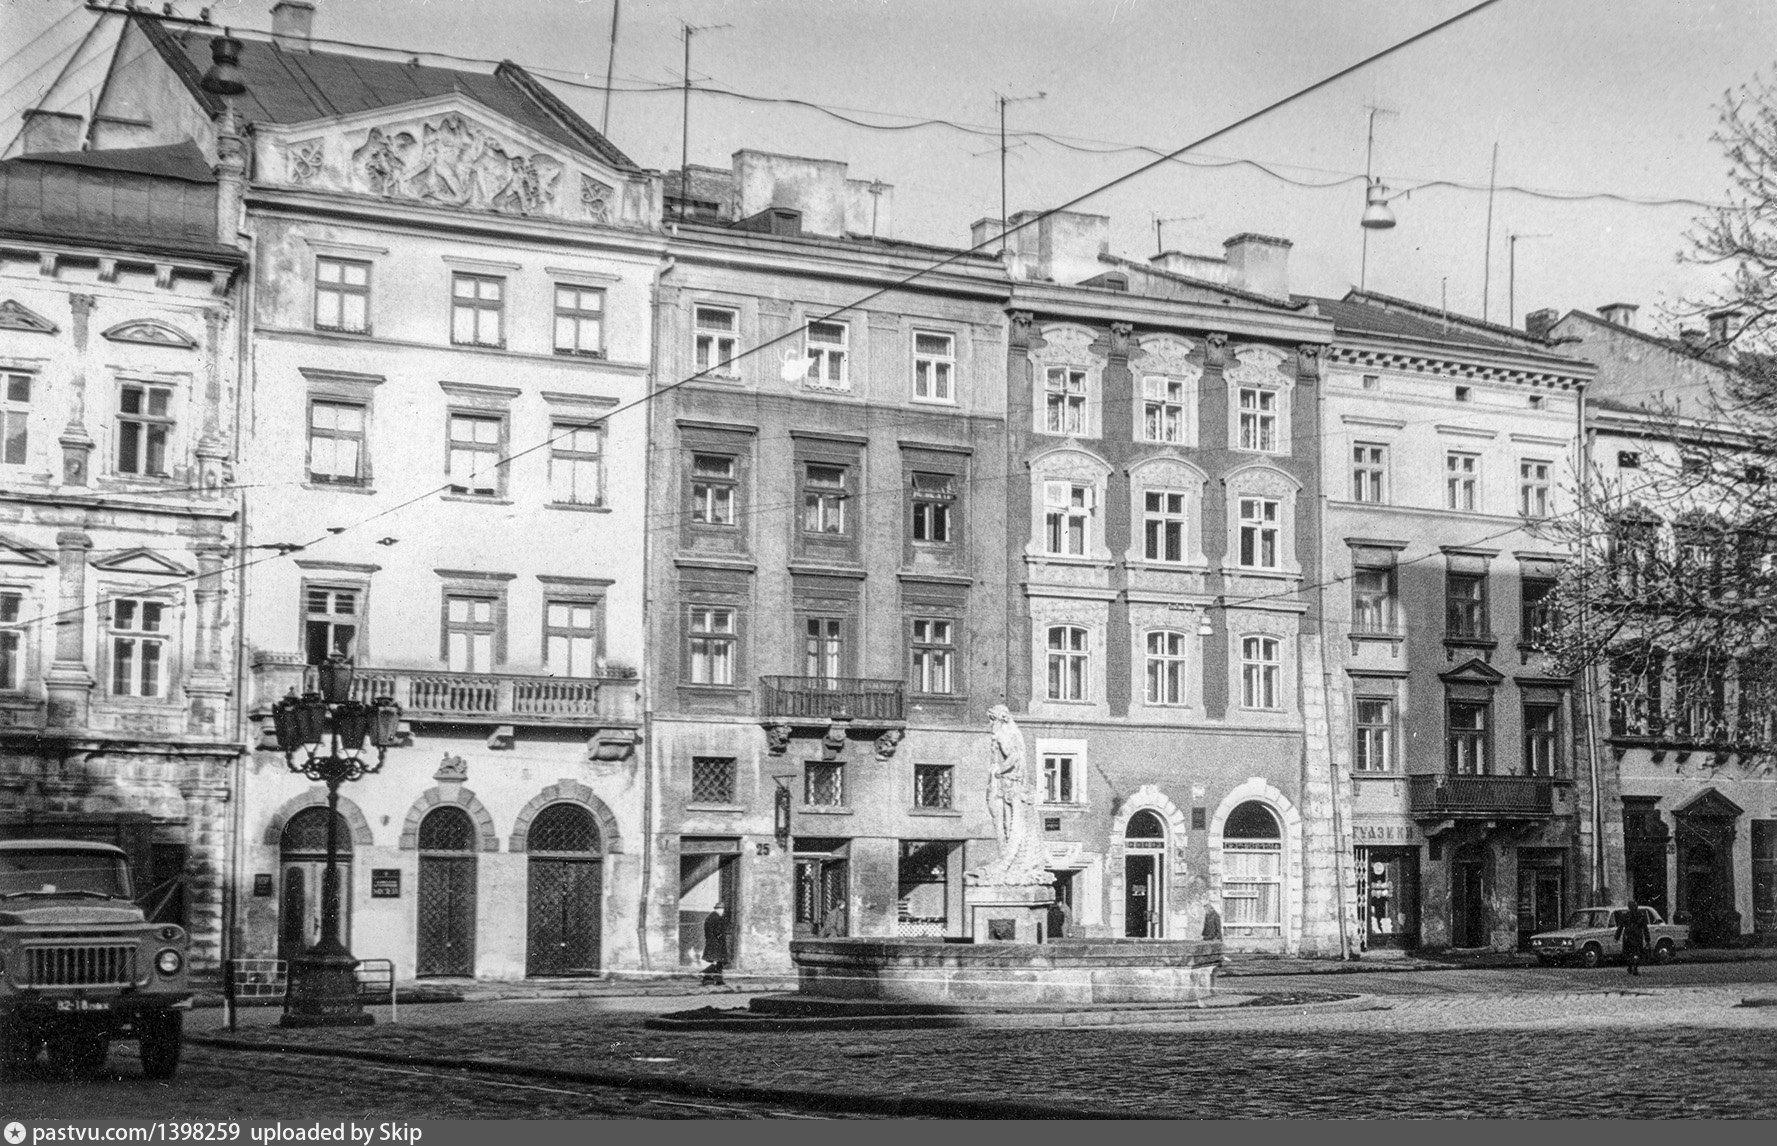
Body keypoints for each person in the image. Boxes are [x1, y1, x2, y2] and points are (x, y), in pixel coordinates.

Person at [1615, 897, 1650, 976]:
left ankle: (1631, 967)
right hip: (1636, 936)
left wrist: (1617, 937)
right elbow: (1645, 928)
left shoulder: (1626, 915)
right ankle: (1635, 967)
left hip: (1629, 936)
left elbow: (1620, 927)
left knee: (1629, 953)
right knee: (1636, 952)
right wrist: (1647, 939)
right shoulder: (1640, 915)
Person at [700, 902, 730, 987]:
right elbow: (717, 932)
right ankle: (705, 973)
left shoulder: (711, 917)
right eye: (722, 909)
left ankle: (715, 980)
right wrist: (722, 937)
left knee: (719, 962)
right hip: (717, 944)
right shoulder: (716, 918)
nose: (722, 911)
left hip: (712, 943)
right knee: (719, 962)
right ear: (720, 910)